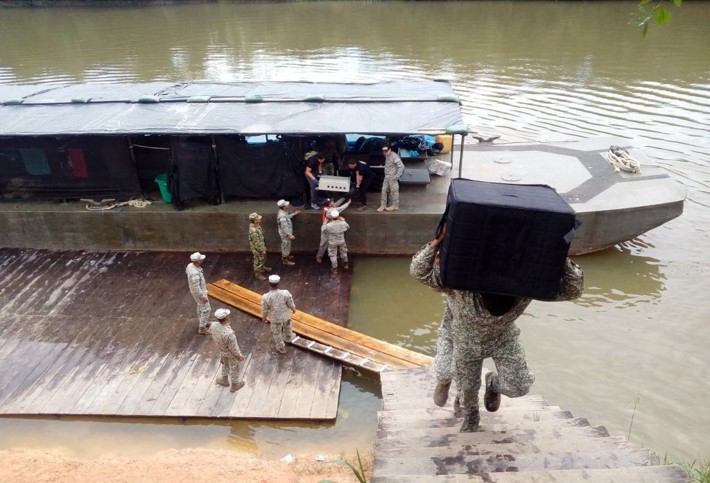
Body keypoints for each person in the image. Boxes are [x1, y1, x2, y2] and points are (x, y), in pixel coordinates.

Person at [410, 224, 584, 432]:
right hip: (460, 336)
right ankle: (462, 406)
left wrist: (558, 255)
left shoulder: (525, 287)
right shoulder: (463, 285)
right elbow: (419, 272)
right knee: (454, 376)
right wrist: (437, 242)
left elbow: (573, 290)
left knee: (518, 386)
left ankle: (492, 384)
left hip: (502, 337)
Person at [210, 308, 247, 392]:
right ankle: (234, 384)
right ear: (226, 318)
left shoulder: (213, 325)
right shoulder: (229, 334)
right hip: (231, 354)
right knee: (234, 368)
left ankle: (224, 379)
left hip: (221, 350)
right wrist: (239, 356)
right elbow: (234, 348)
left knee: (225, 364)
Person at [261, 274, 296, 355]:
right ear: (278, 283)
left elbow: (264, 309)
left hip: (275, 318)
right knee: (288, 325)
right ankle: (288, 336)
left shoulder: (266, 297)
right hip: (286, 315)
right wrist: (293, 309)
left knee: (277, 333)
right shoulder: (285, 293)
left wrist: (264, 317)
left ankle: (281, 347)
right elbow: (290, 302)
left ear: (269, 284)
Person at [316, 197, 351, 264]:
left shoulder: (327, 207)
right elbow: (340, 208)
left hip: (330, 226)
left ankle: (333, 255)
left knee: (332, 243)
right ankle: (319, 256)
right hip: (327, 227)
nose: (333, 202)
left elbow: (336, 204)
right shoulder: (331, 211)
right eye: (331, 202)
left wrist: (344, 198)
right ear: (329, 205)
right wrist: (348, 203)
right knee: (324, 243)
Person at [185, 251, 211, 335]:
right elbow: (196, 286)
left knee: (200, 306)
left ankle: (203, 321)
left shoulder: (190, 266)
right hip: (199, 292)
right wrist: (202, 296)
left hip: (197, 291)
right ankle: (202, 327)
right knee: (206, 309)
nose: (202, 260)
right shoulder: (194, 273)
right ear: (198, 261)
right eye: (201, 259)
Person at [377, 145, 405, 212]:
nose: (385, 153)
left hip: (393, 177)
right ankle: (383, 205)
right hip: (387, 177)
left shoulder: (394, 156)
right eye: (384, 152)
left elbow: (401, 167)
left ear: (390, 150)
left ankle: (395, 205)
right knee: (384, 190)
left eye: (386, 151)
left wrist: (397, 176)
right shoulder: (386, 155)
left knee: (394, 191)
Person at [322, 209, 350, 274]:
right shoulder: (343, 223)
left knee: (333, 254)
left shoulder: (329, 225)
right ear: (338, 216)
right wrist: (344, 220)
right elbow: (348, 227)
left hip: (332, 242)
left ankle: (334, 269)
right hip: (341, 240)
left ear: (331, 217)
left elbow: (324, 231)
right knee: (343, 252)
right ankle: (346, 264)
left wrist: (324, 224)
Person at [276, 199, 301, 266]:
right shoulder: (282, 215)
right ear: (284, 207)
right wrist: (289, 234)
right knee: (285, 245)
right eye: (287, 205)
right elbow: (284, 227)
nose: (288, 205)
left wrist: (294, 214)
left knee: (287, 245)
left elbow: (287, 217)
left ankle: (286, 255)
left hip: (286, 233)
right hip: (285, 234)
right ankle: (285, 259)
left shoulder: (283, 212)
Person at [248, 212, 271, 281]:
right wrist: (262, 250)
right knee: (258, 261)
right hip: (258, 249)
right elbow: (256, 243)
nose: (260, 219)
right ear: (255, 221)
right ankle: (258, 274)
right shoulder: (254, 231)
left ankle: (262, 267)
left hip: (261, 245)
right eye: (258, 219)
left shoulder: (256, 225)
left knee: (262, 258)